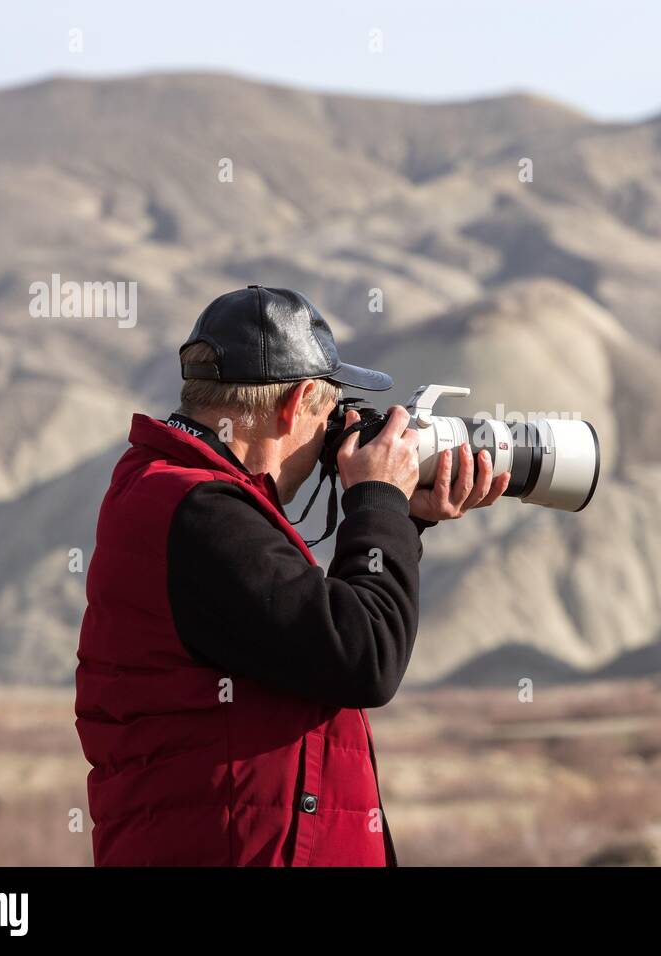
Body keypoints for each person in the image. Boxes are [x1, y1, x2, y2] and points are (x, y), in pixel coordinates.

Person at [74, 285, 509, 865]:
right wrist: (378, 501)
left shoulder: (175, 497)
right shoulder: (200, 511)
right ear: (297, 401)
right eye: (329, 412)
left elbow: (307, 636)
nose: (336, 434)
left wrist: (404, 521)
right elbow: (362, 657)